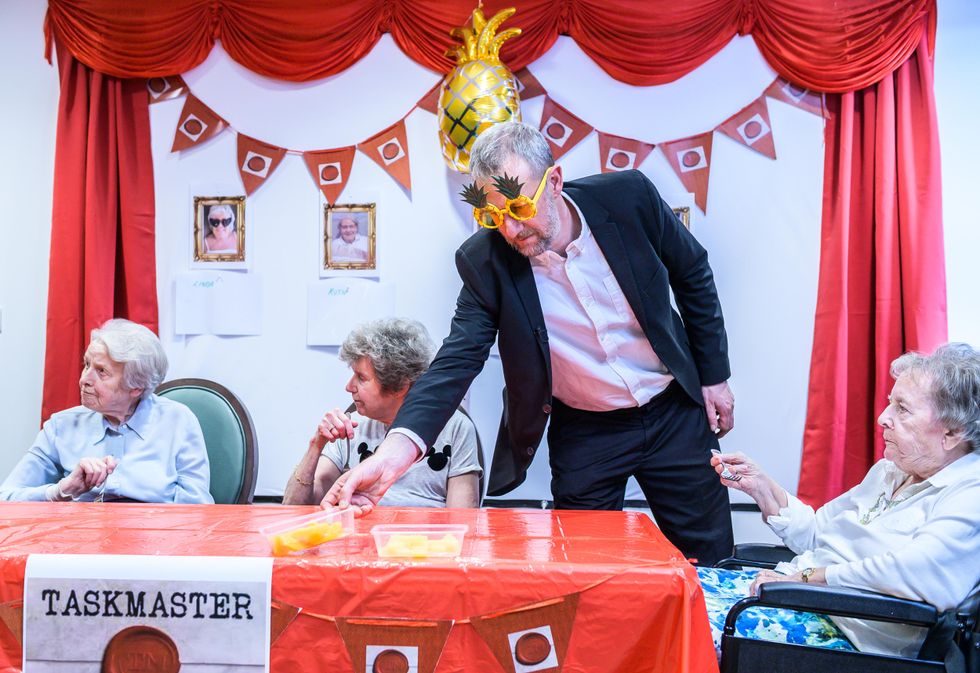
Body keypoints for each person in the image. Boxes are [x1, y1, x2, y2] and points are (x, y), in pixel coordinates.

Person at [325, 121, 735, 565]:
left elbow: (692, 272)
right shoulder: (485, 261)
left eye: (519, 207)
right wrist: (390, 457)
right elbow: (456, 362)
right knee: (584, 568)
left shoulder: (628, 197)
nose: (510, 229)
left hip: (672, 408)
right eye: (492, 215)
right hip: (587, 429)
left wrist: (714, 376)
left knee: (708, 556)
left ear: (554, 181)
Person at [698, 342, 980, 657]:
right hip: (794, 597)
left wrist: (806, 579)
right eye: (890, 403)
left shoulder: (969, 494)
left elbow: (917, 573)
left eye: (902, 408)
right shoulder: (890, 471)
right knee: (672, 587)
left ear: (952, 432)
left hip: (845, 634)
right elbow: (818, 534)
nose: (882, 418)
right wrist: (762, 487)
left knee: (680, 625)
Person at [0, 319, 213, 503]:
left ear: (136, 387)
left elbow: (196, 508)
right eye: (86, 365)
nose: (84, 379)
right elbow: (7, 497)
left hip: (155, 534)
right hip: (82, 534)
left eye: (101, 372)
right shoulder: (61, 426)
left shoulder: (178, 421)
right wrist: (61, 490)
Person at [283, 318, 482, 508]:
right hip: (359, 531)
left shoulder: (456, 428)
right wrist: (316, 446)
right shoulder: (350, 427)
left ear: (399, 385)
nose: (349, 387)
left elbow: (462, 518)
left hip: (427, 532)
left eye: (361, 378)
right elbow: (294, 507)